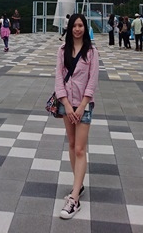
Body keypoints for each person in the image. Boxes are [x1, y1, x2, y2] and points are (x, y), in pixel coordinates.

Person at [55, 13, 99, 220]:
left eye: (81, 25)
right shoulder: (62, 51)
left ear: (85, 27)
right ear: (70, 27)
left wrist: (81, 106)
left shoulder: (91, 52)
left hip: (83, 106)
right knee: (72, 144)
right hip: (66, 105)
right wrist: (65, 103)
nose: (78, 29)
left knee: (80, 148)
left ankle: (74, 199)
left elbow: (92, 81)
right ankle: (77, 185)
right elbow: (58, 78)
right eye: (75, 25)